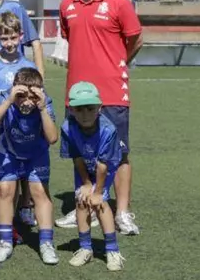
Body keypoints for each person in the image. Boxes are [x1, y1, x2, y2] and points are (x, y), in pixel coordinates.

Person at [57, 0, 142, 236]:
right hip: (77, 94)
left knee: (120, 153)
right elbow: (71, 39)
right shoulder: (66, 5)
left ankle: (122, 213)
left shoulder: (118, 3)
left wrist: (118, 63)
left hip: (112, 91)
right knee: (80, 152)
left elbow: (136, 39)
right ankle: (85, 208)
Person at [0, 67, 58, 266]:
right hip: (9, 150)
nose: (26, 102)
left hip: (36, 152)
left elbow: (52, 138)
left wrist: (42, 108)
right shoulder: (6, 98)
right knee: (5, 189)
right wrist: (9, 101)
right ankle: (5, 242)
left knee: (39, 192)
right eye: (22, 95)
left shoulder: (45, 103)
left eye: (32, 96)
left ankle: (46, 243)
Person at [59, 82, 125, 271]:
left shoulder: (108, 130)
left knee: (99, 203)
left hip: (105, 168)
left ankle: (112, 250)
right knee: (81, 200)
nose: (85, 114)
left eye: (90, 108)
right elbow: (77, 158)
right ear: (71, 110)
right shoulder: (68, 127)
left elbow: (103, 166)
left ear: (99, 107)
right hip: (84, 166)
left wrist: (96, 191)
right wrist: (86, 183)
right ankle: (85, 248)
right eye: (79, 109)